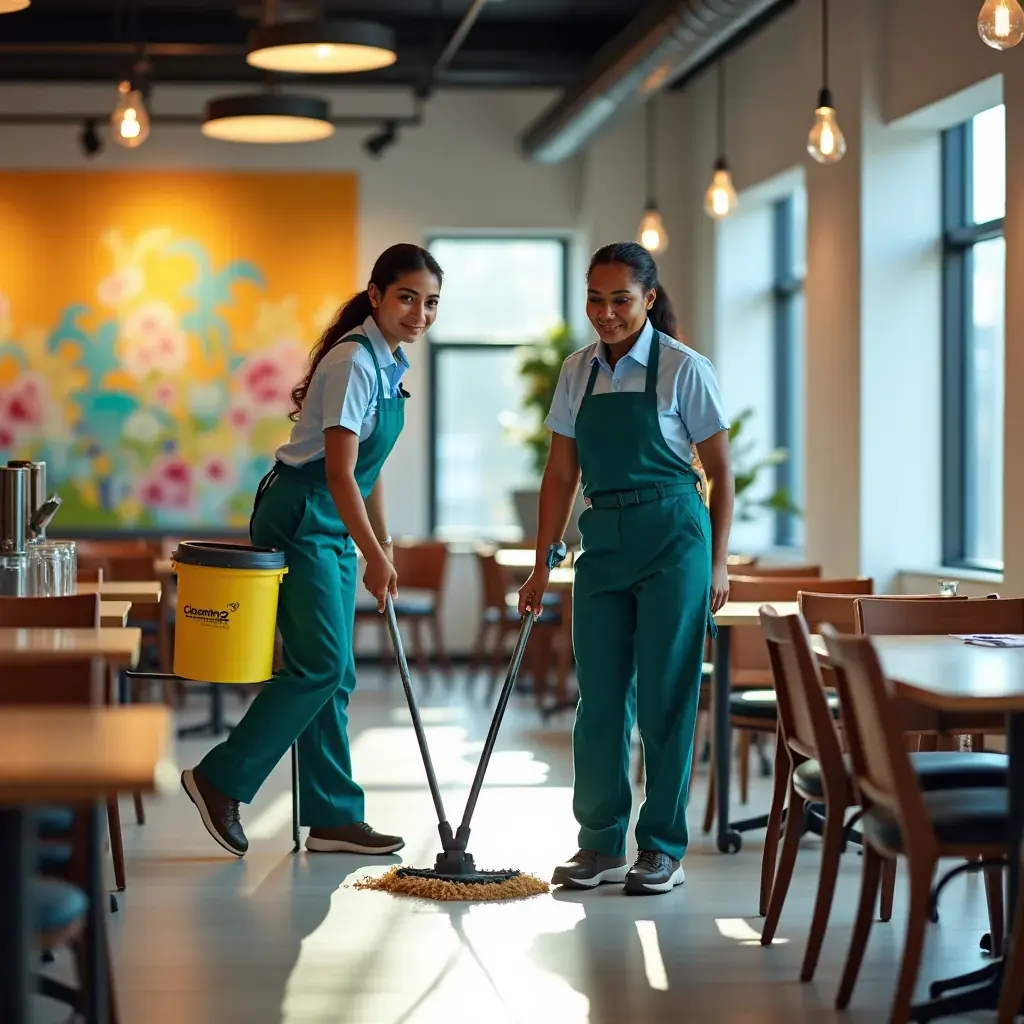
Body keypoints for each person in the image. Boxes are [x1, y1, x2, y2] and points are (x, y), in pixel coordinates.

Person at [182, 243, 443, 857]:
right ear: (376, 295)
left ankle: (330, 815)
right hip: (302, 511)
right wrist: (372, 554)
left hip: (330, 515)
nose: (419, 313)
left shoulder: (390, 365)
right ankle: (220, 778)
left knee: (336, 672)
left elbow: (365, 478)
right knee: (320, 665)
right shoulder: (354, 362)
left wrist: (382, 549)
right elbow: (338, 474)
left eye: (431, 303)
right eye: (407, 297)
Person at [519, 242, 734, 895]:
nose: (605, 313)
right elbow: (561, 472)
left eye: (620, 299)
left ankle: (662, 847)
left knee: (667, 698)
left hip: (673, 535)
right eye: (595, 298)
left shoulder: (683, 369)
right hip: (603, 539)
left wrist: (719, 562)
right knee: (601, 698)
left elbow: (721, 474)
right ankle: (600, 843)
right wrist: (539, 562)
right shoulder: (577, 371)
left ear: (647, 298)